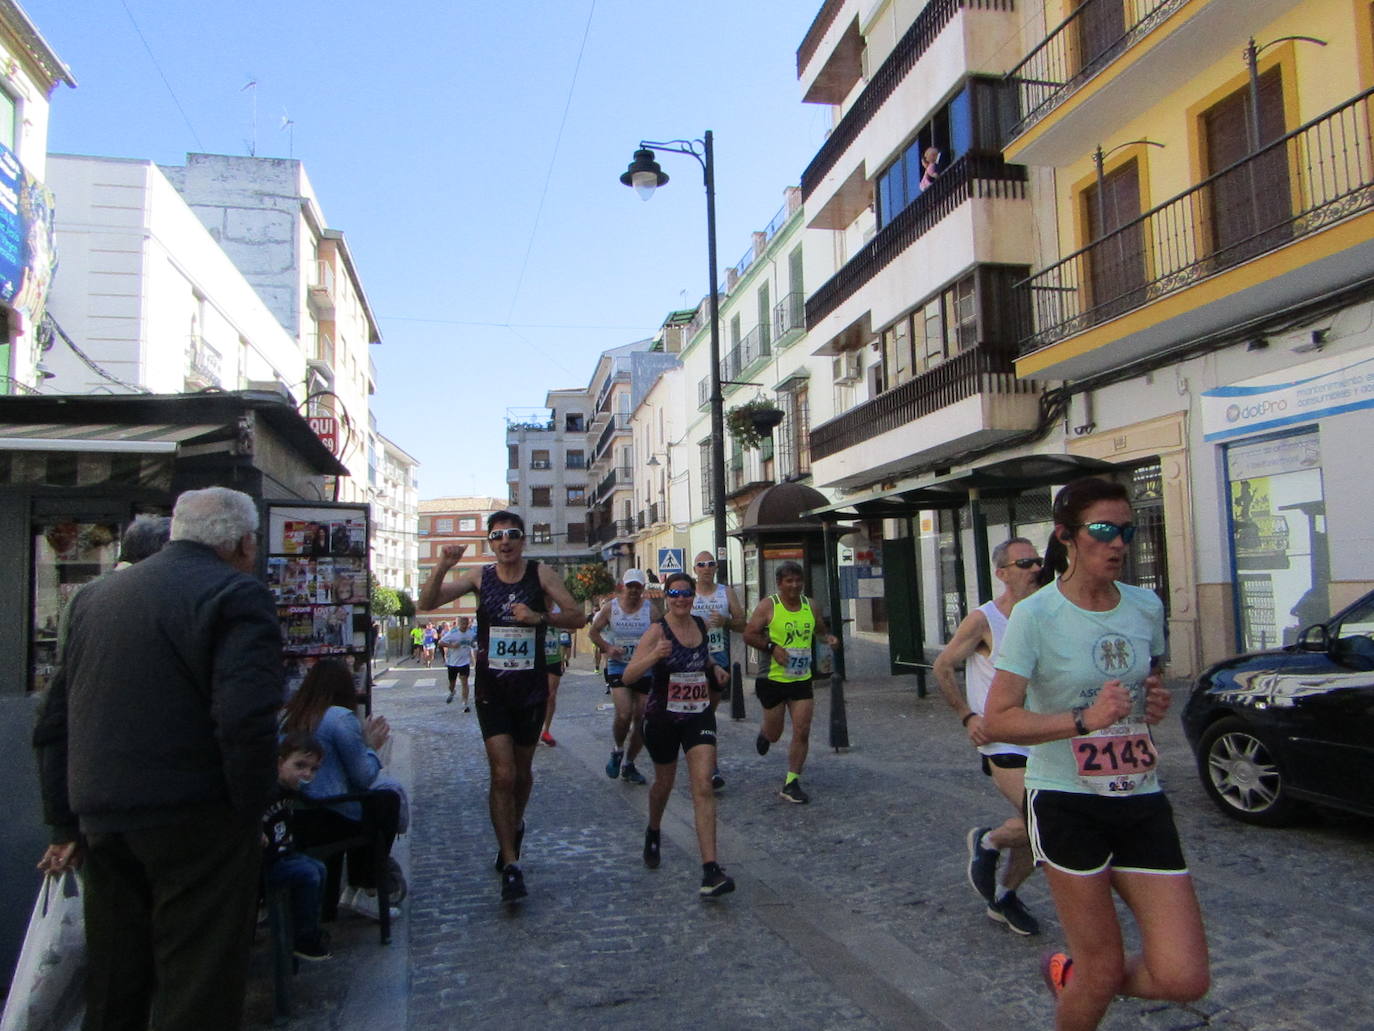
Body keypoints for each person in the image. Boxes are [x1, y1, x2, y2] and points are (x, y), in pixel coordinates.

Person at [32, 486, 283, 1031]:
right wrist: (250, 812)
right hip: (195, 819)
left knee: (115, 981)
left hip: (104, 820)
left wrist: (65, 822)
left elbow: (53, 723)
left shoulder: (95, 599)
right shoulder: (236, 594)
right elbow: (244, 720)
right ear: (243, 543)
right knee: (197, 985)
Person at [984, 478, 1209, 1030]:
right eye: (1104, 531)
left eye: (1125, 531)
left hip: (1140, 796)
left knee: (1184, 978)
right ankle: (1085, 979)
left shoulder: (1144, 606)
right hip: (1065, 799)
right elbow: (999, 718)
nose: (1119, 544)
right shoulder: (1036, 615)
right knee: (1104, 965)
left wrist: (1150, 704)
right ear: (1066, 536)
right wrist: (1083, 720)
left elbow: (1143, 684)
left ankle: (1069, 975)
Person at [418, 511, 585, 903]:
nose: (505, 541)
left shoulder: (541, 574)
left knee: (523, 772)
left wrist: (538, 616)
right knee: (503, 773)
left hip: (529, 690)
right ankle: (511, 864)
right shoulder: (480, 577)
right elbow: (426, 603)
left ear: (523, 540)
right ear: (490, 543)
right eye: (497, 536)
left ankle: (515, 824)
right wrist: (443, 565)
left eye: (511, 534)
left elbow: (577, 616)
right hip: (492, 689)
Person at [933, 537, 1044, 937]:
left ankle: (1004, 897)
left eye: (1037, 561)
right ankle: (991, 839)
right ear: (1002, 573)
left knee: (1040, 832)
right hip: (1003, 741)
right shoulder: (984, 620)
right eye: (1025, 563)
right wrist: (967, 716)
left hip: (1046, 736)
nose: (1034, 569)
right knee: (1045, 819)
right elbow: (942, 667)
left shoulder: (1046, 614)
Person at [622, 571, 735, 898]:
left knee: (702, 785)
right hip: (662, 719)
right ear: (667, 597)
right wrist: (653, 656)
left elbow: (704, 656)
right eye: (675, 594)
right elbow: (629, 674)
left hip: (697, 715)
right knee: (664, 784)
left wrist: (714, 667)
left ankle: (710, 870)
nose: (682, 599)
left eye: (687, 594)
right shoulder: (657, 631)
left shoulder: (700, 625)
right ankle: (654, 828)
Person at [279, 659, 401, 922]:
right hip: (328, 815)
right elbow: (364, 775)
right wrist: (371, 746)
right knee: (386, 800)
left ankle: (353, 889)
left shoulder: (288, 715)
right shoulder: (339, 718)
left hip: (294, 815)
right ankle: (364, 886)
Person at [743, 561, 838, 804]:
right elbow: (749, 634)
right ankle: (765, 733)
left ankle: (792, 781)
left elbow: (819, 631)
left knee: (802, 730)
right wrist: (772, 647)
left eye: (798, 581)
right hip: (772, 678)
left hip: (801, 678)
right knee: (776, 733)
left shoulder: (810, 605)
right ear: (779, 584)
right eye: (789, 581)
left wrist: (828, 639)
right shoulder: (769, 606)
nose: (795, 585)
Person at [589, 569, 661, 786]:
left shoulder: (651, 610)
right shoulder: (611, 608)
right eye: (630, 586)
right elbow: (593, 632)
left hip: (643, 667)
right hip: (618, 666)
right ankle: (618, 749)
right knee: (624, 713)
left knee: (642, 716)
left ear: (643, 589)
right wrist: (608, 647)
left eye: (637, 587)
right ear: (623, 586)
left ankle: (629, 763)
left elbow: (664, 632)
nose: (633, 591)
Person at [263, 733, 331, 961]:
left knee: (318, 869)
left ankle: (309, 928)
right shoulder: (267, 790)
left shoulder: (290, 790)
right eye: (300, 765)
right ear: (280, 763)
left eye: (312, 770)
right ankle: (303, 938)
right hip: (264, 861)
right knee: (309, 874)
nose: (306, 774)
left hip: (281, 854)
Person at [690, 551, 745, 792]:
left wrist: (726, 622)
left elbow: (743, 623)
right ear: (695, 569)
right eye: (701, 564)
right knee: (698, 714)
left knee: (708, 713)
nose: (706, 568)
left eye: (711, 564)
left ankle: (707, 763)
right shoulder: (687, 594)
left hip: (719, 660)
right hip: (692, 661)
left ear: (715, 568)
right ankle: (708, 767)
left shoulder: (726, 592)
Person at [540, 610, 567, 746]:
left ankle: (546, 730)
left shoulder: (558, 610)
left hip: (554, 658)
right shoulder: (535, 605)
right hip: (537, 659)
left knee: (551, 695)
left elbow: (572, 628)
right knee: (535, 696)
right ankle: (534, 728)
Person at [440, 616, 477, 709]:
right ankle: (452, 691)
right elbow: (440, 642)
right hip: (452, 662)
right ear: (458, 624)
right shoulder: (452, 633)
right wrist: (451, 646)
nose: (464, 626)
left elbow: (474, 644)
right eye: (462, 624)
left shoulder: (471, 633)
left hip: (464, 662)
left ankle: (465, 703)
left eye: (466, 624)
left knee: (464, 681)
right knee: (452, 683)